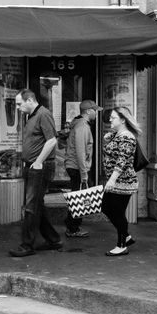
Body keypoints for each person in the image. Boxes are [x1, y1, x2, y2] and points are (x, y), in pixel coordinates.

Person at [9, 89, 62, 258]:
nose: (18, 107)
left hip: (40, 167)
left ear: (30, 100)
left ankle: (27, 245)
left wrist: (38, 162)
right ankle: (53, 239)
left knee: (31, 206)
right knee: (37, 204)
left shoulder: (43, 114)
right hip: (33, 166)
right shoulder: (31, 116)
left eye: (19, 103)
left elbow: (52, 140)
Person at [101, 106, 140, 257]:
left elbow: (122, 161)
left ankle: (122, 245)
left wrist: (111, 180)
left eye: (113, 117)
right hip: (117, 181)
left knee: (117, 212)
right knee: (106, 207)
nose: (110, 120)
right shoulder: (119, 135)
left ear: (123, 120)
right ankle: (126, 236)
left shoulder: (127, 137)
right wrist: (109, 136)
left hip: (124, 181)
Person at [64, 99, 101, 239]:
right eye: (95, 110)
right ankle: (72, 228)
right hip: (77, 167)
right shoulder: (82, 127)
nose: (96, 113)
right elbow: (80, 151)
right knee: (78, 198)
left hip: (76, 166)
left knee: (77, 196)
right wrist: (84, 173)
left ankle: (71, 224)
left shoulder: (80, 124)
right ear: (88, 111)